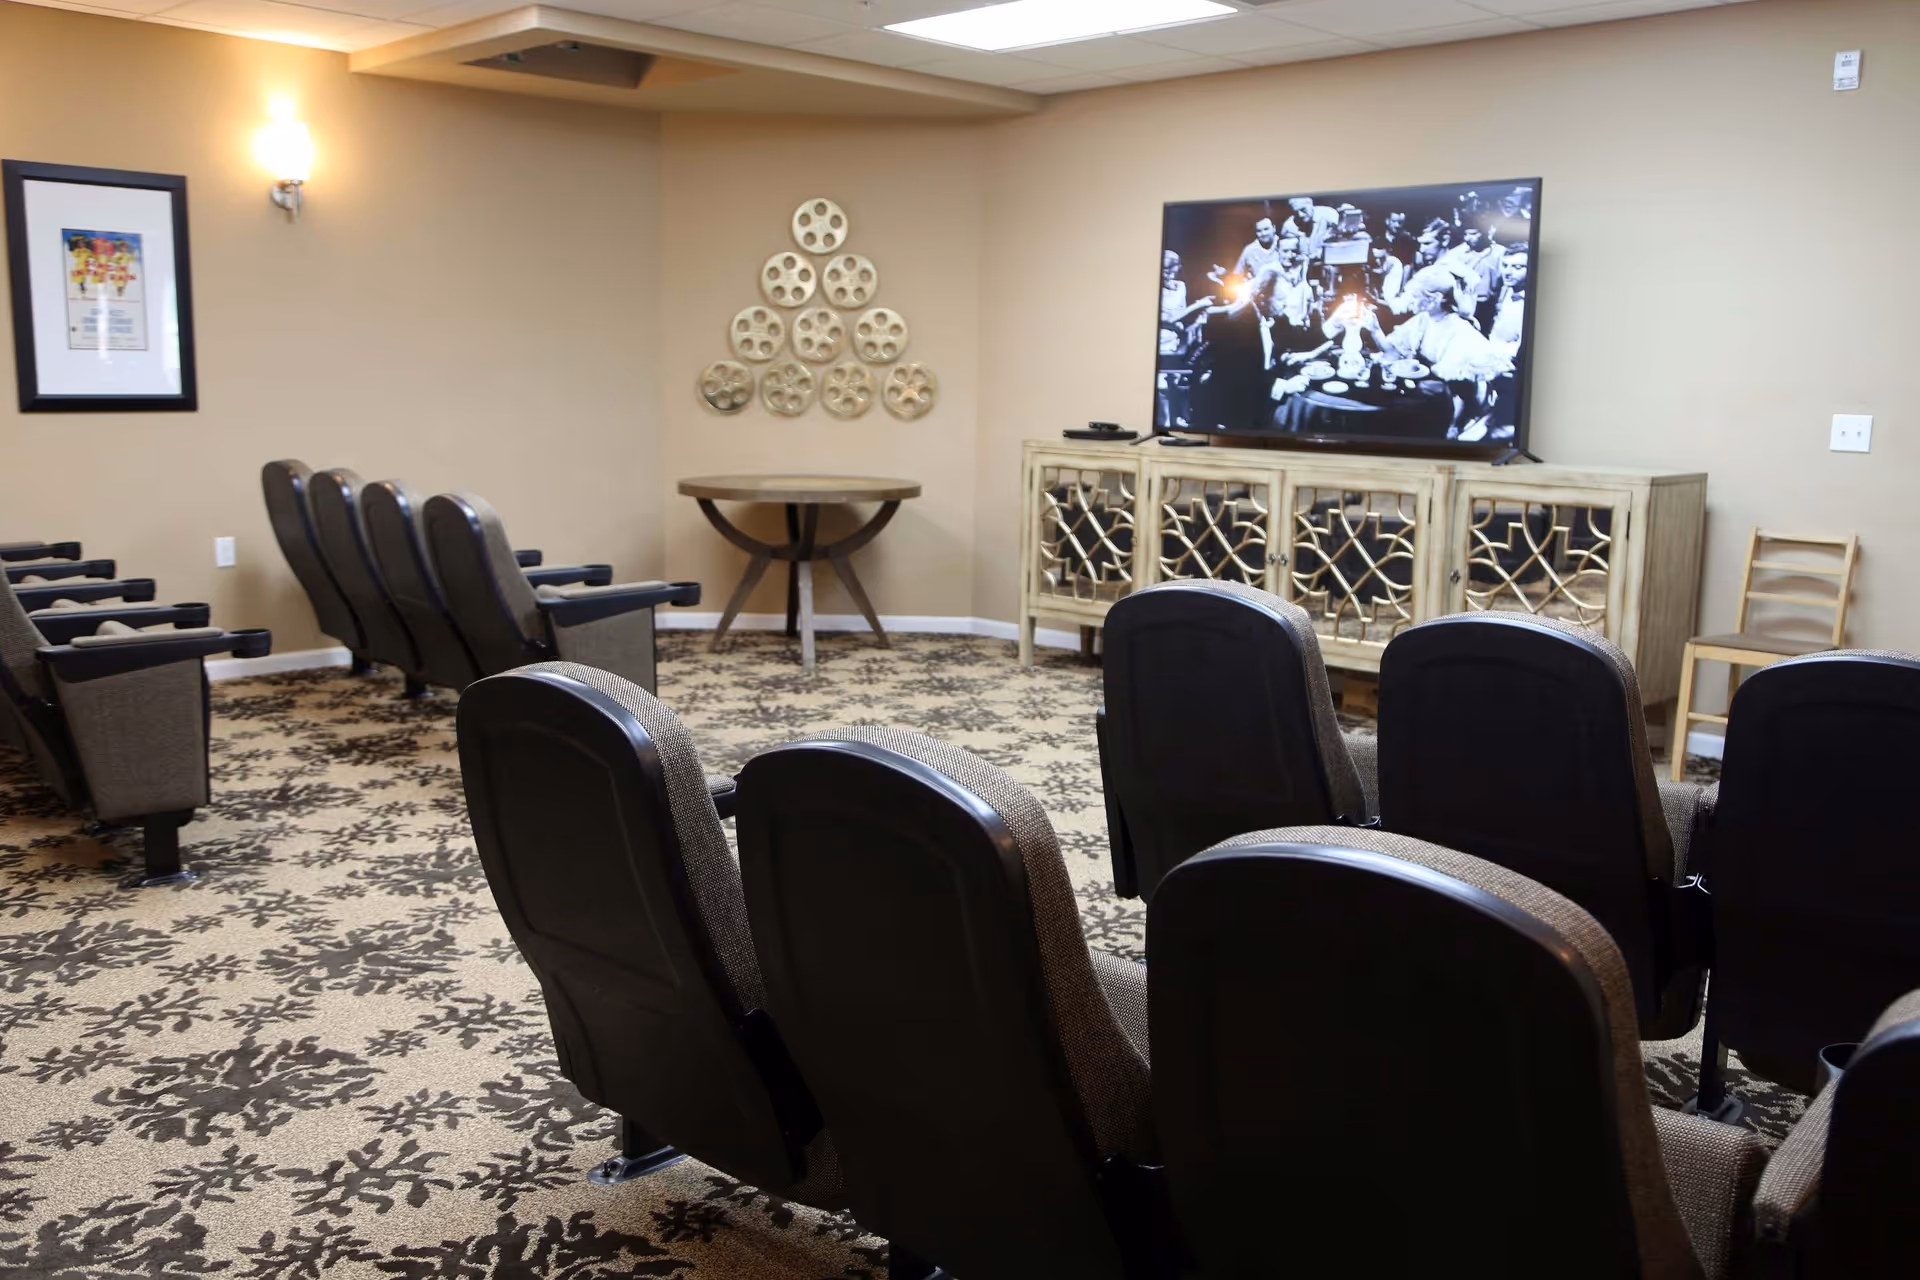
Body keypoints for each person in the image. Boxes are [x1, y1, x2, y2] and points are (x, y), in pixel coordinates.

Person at [1365, 270, 1511, 441]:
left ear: (1436, 299)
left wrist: (1454, 426)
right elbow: (1393, 350)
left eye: (1415, 296)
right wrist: (1375, 329)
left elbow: (1461, 391)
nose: (1410, 301)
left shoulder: (1460, 332)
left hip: (1454, 406)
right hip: (1431, 394)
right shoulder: (1424, 319)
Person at [1159, 250, 1213, 357]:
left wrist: (1198, 320)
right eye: (1166, 273)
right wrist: (1198, 304)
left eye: (1174, 273)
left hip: (1175, 343)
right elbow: (1169, 318)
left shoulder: (1180, 287)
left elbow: (1181, 317)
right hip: (1161, 344)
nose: (1170, 277)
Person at [1209, 216, 1283, 289]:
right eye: (1259, 231)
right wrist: (1225, 274)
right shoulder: (1249, 250)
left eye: (1266, 229)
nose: (1263, 233)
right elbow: (1238, 276)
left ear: (1274, 228)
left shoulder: (1285, 244)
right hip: (1260, 293)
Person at [1281, 196, 1338, 262]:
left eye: (1303, 210)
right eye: (1296, 212)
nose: (1300, 215)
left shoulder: (1329, 214)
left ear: (1311, 205)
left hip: (1330, 259)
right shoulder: (1289, 226)